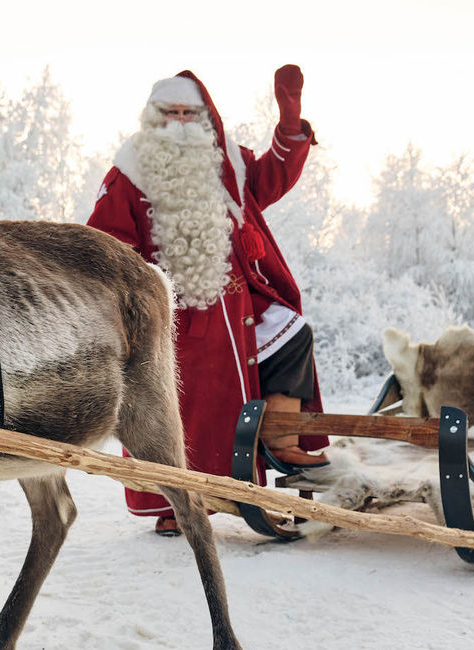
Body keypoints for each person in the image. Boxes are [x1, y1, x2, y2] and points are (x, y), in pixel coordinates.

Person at [85, 67, 328, 536]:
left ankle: (282, 439)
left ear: (204, 120)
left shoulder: (228, 166)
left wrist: (291, 121)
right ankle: (174, 505)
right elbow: (106, 246)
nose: (179, 122)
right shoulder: (128, 174)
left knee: (292, 333)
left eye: (188, 114)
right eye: (169, 113)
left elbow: (273, 175)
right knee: (179, 415)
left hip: (236, 311)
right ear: (152, 120)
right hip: (170, 321)